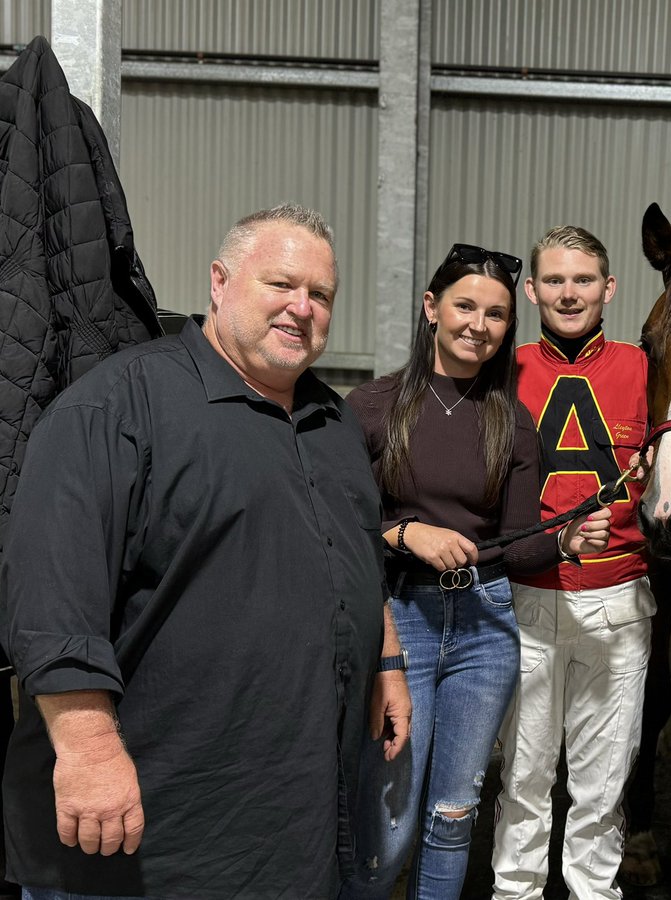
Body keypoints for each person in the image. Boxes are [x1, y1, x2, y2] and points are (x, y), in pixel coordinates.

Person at [0, 204, 411, 899]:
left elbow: (354, 560)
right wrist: (90, 751)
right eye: (281, 285)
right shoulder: (117, 407)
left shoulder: (333, 422)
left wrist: (386, 660)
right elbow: (51, 596)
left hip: (292, 822)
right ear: (219, 283)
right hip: (147, 831)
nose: (302, 308)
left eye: (321, 295)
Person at [341, 243, 611, 900]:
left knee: (453, 815)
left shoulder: (512, 423)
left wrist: (568, 539)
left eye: (495, 315)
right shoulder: (371, 410)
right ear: (431, 308)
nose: (478, 325)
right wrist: (404, 533)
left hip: (485, 627)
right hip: (399, 620)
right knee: (393, 817)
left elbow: (515, 552)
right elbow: (334, 532)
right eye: (465, 306)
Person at [491, 227, 654, 900]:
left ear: (608, 288)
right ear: (531, 290)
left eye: (583, 279)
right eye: (553, 279)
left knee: (601, 792)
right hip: (524, 599)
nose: (568, 292)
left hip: (617, 602)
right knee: (523, 783)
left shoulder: (649, 368)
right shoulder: (502, 366)